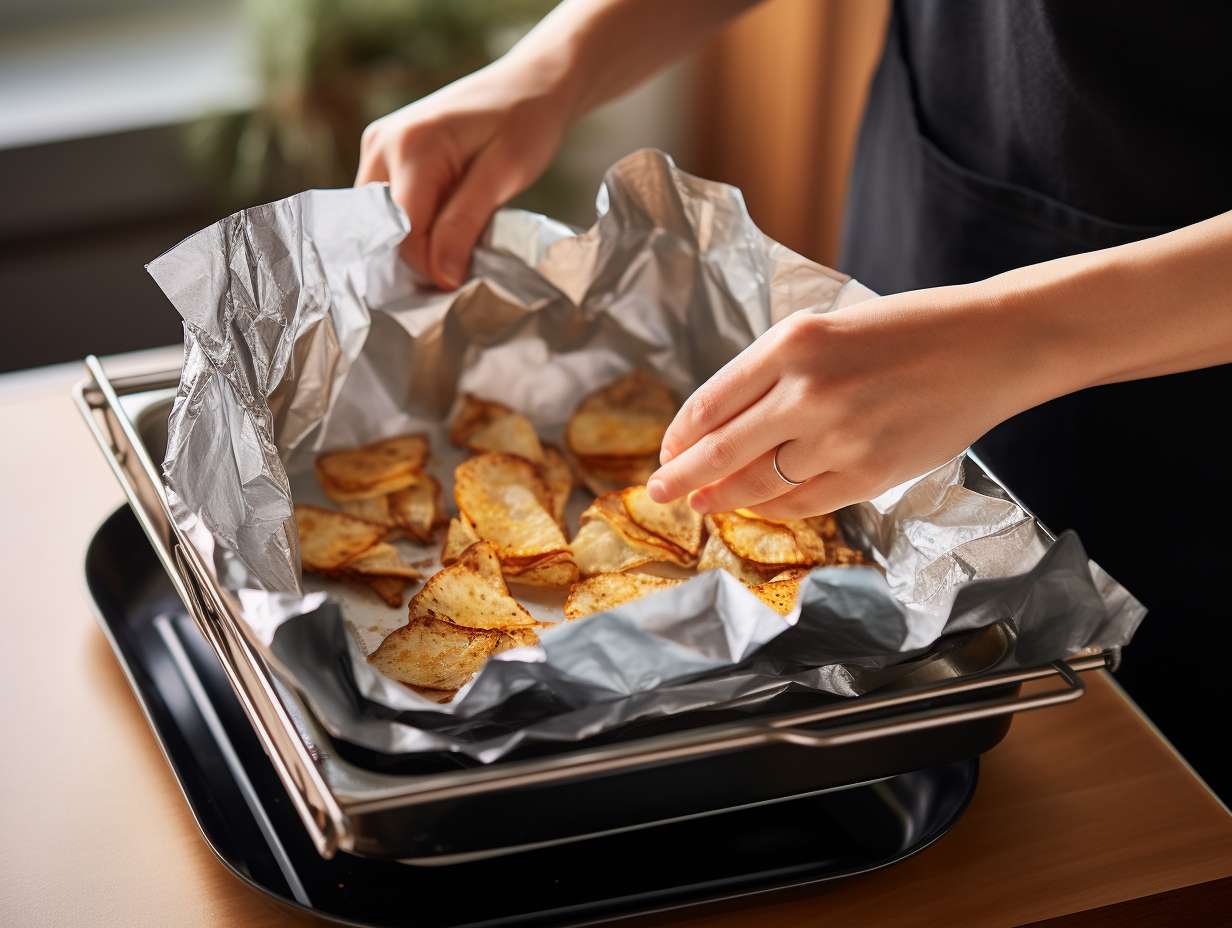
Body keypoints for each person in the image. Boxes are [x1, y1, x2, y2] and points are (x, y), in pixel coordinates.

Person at [357, 0, 1232, 797]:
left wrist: (1016, 335)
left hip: (1191, 410)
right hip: (945, 183)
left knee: (1139, 793)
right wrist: (554, 64)